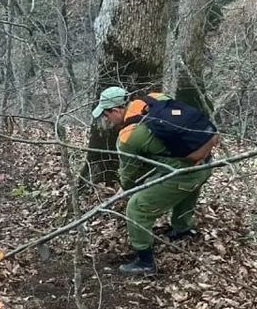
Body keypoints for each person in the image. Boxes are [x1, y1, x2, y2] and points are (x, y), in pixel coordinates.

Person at [92, 86, 217, 276]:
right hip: (205, 163)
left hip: (186, 174)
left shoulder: (128, 137)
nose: (106, 120)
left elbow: (128, 175)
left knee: (136, 207)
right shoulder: (155, 98)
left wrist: (125, 189)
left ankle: (145, 262)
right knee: (186, 191)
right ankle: (183, 229)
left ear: (116, 110)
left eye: (107, 115)